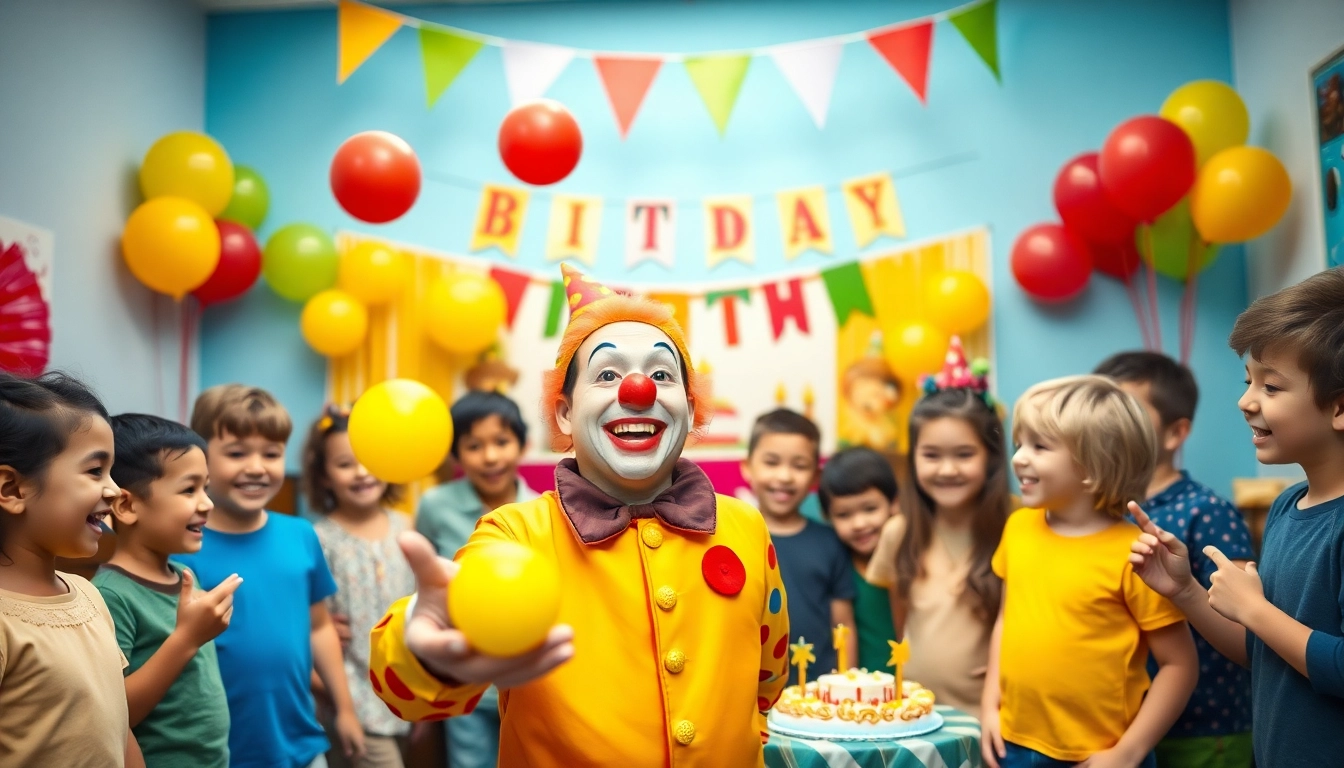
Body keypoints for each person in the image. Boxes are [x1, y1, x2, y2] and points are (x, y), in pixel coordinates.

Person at [367, 264, 789, 767]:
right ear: (565, 413)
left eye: (661, 374)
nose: (640, 390)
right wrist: (424, 640)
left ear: (691, 406)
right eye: (607, 374)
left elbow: (766, 683)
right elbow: (406, 695)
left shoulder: (746, 525)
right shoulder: (515, 534)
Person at [1130, 266, 1344, 767]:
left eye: (1271, 387)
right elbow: (1265, 651)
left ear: (1339, 408)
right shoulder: (1288, 508)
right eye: (1249, 381)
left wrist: (1255, 609)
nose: (1245, 401)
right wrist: (1186, 591)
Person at [984, 375, 1198, 768]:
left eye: (1039, 446)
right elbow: (1006, 619)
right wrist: (989, 704)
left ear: (1093, 465)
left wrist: (1127, 753)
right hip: (1012, 745)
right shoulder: (1018, 527)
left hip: (1100, 757)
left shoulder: (1135, 555)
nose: (1017, 458)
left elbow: (1180, 665)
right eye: (1019, 443)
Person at [177, 384, 365, 768]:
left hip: (302, 744)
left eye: (272, 454)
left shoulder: (301, 535)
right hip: (219, 752)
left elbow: (319, 628)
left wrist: (344, 708)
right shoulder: (183, 547)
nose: (257, 467)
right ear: (202, 459)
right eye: (236, 453)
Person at [1094, 351, 1254, 768]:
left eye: (1126, 411)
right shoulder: (1097, 513)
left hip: (1203, 731)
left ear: (1174, 433)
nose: (1107, 424)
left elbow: (1246, 628)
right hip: (1122, 725)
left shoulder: (1207, 512)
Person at [0, 371, 144, 767]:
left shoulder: (89, 595)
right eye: (95, 471)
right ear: (12, 490)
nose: (114, 490)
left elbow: (117, 727)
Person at [867, 340, 1010, 715]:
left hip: (995, 720)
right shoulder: (898, 532)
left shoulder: (1017, 526)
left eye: (964, 455)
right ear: (914, 457)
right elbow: (900, 621)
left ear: (991, 456)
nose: (947, 470)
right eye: (932, 455)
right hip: (920, 716)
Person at [94, 413, 239, 768]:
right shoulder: (111, 595)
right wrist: (187, 638)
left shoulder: (185, 574)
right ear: (127, 506)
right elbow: (115, 715)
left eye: (205, 488)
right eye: (189, 490)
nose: (207, 504)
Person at [413, 389, 537, 768]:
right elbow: (420, 586)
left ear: (522, 443)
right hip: (463, 675)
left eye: (502, 441)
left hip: (529, 678)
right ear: (456, 455)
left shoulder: (540, 510)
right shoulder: (436, 506)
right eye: (473, 445)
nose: (490, 456)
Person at [303, 405, 415, 768]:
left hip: (404, 693)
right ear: (323, 475)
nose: (362, 472)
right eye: (345, 463)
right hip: (353, 696)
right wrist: (337, 699)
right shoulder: (320, 539)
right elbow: (310, 622)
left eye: (370, 459)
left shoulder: (406, 527)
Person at [742, 408, 856, 682]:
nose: (784, 476)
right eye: (772, 462)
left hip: (818, 695)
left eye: (799, 465)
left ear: (816, 477)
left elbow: (843, 624)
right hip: (749, 696)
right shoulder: (732, 537)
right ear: (747, 468)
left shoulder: (830, 542)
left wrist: (846, 684)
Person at [817, 447, 898, 673]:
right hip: (859, 694)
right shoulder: (837, 568)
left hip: (913, 688)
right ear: (828, 517)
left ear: (894, 503)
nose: (859, 523)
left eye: (870, 509)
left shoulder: (910, 559)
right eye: (844, 515)